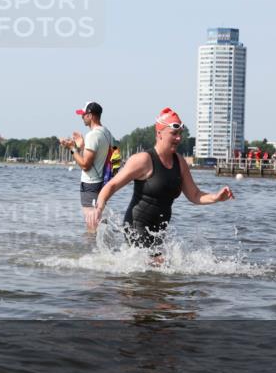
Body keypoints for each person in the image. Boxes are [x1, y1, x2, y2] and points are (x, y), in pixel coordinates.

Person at [87, 108, 234, 259]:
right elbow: (111, 185)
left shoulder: (180, 162)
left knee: (162, 272)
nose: (178, 138)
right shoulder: (143, 160)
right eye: (174, 133)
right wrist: (98, 208)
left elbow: (195, 195)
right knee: (159, 265)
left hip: (159, 231)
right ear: (159, 133)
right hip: (137, 226)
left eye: (179, 134)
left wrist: (216, 197)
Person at [60, 101, 113, 233]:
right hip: (103, 183)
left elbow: (85, 165)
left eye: (83, 114)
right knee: (101, 223)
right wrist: (82, 146)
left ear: (90, 115)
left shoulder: (92, 135)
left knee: (92, 226)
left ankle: (90, 252)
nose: (82, 117)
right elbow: (98, 158)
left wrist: (72, 149)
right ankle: (104, 251)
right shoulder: (107, 133)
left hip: (91, 184)